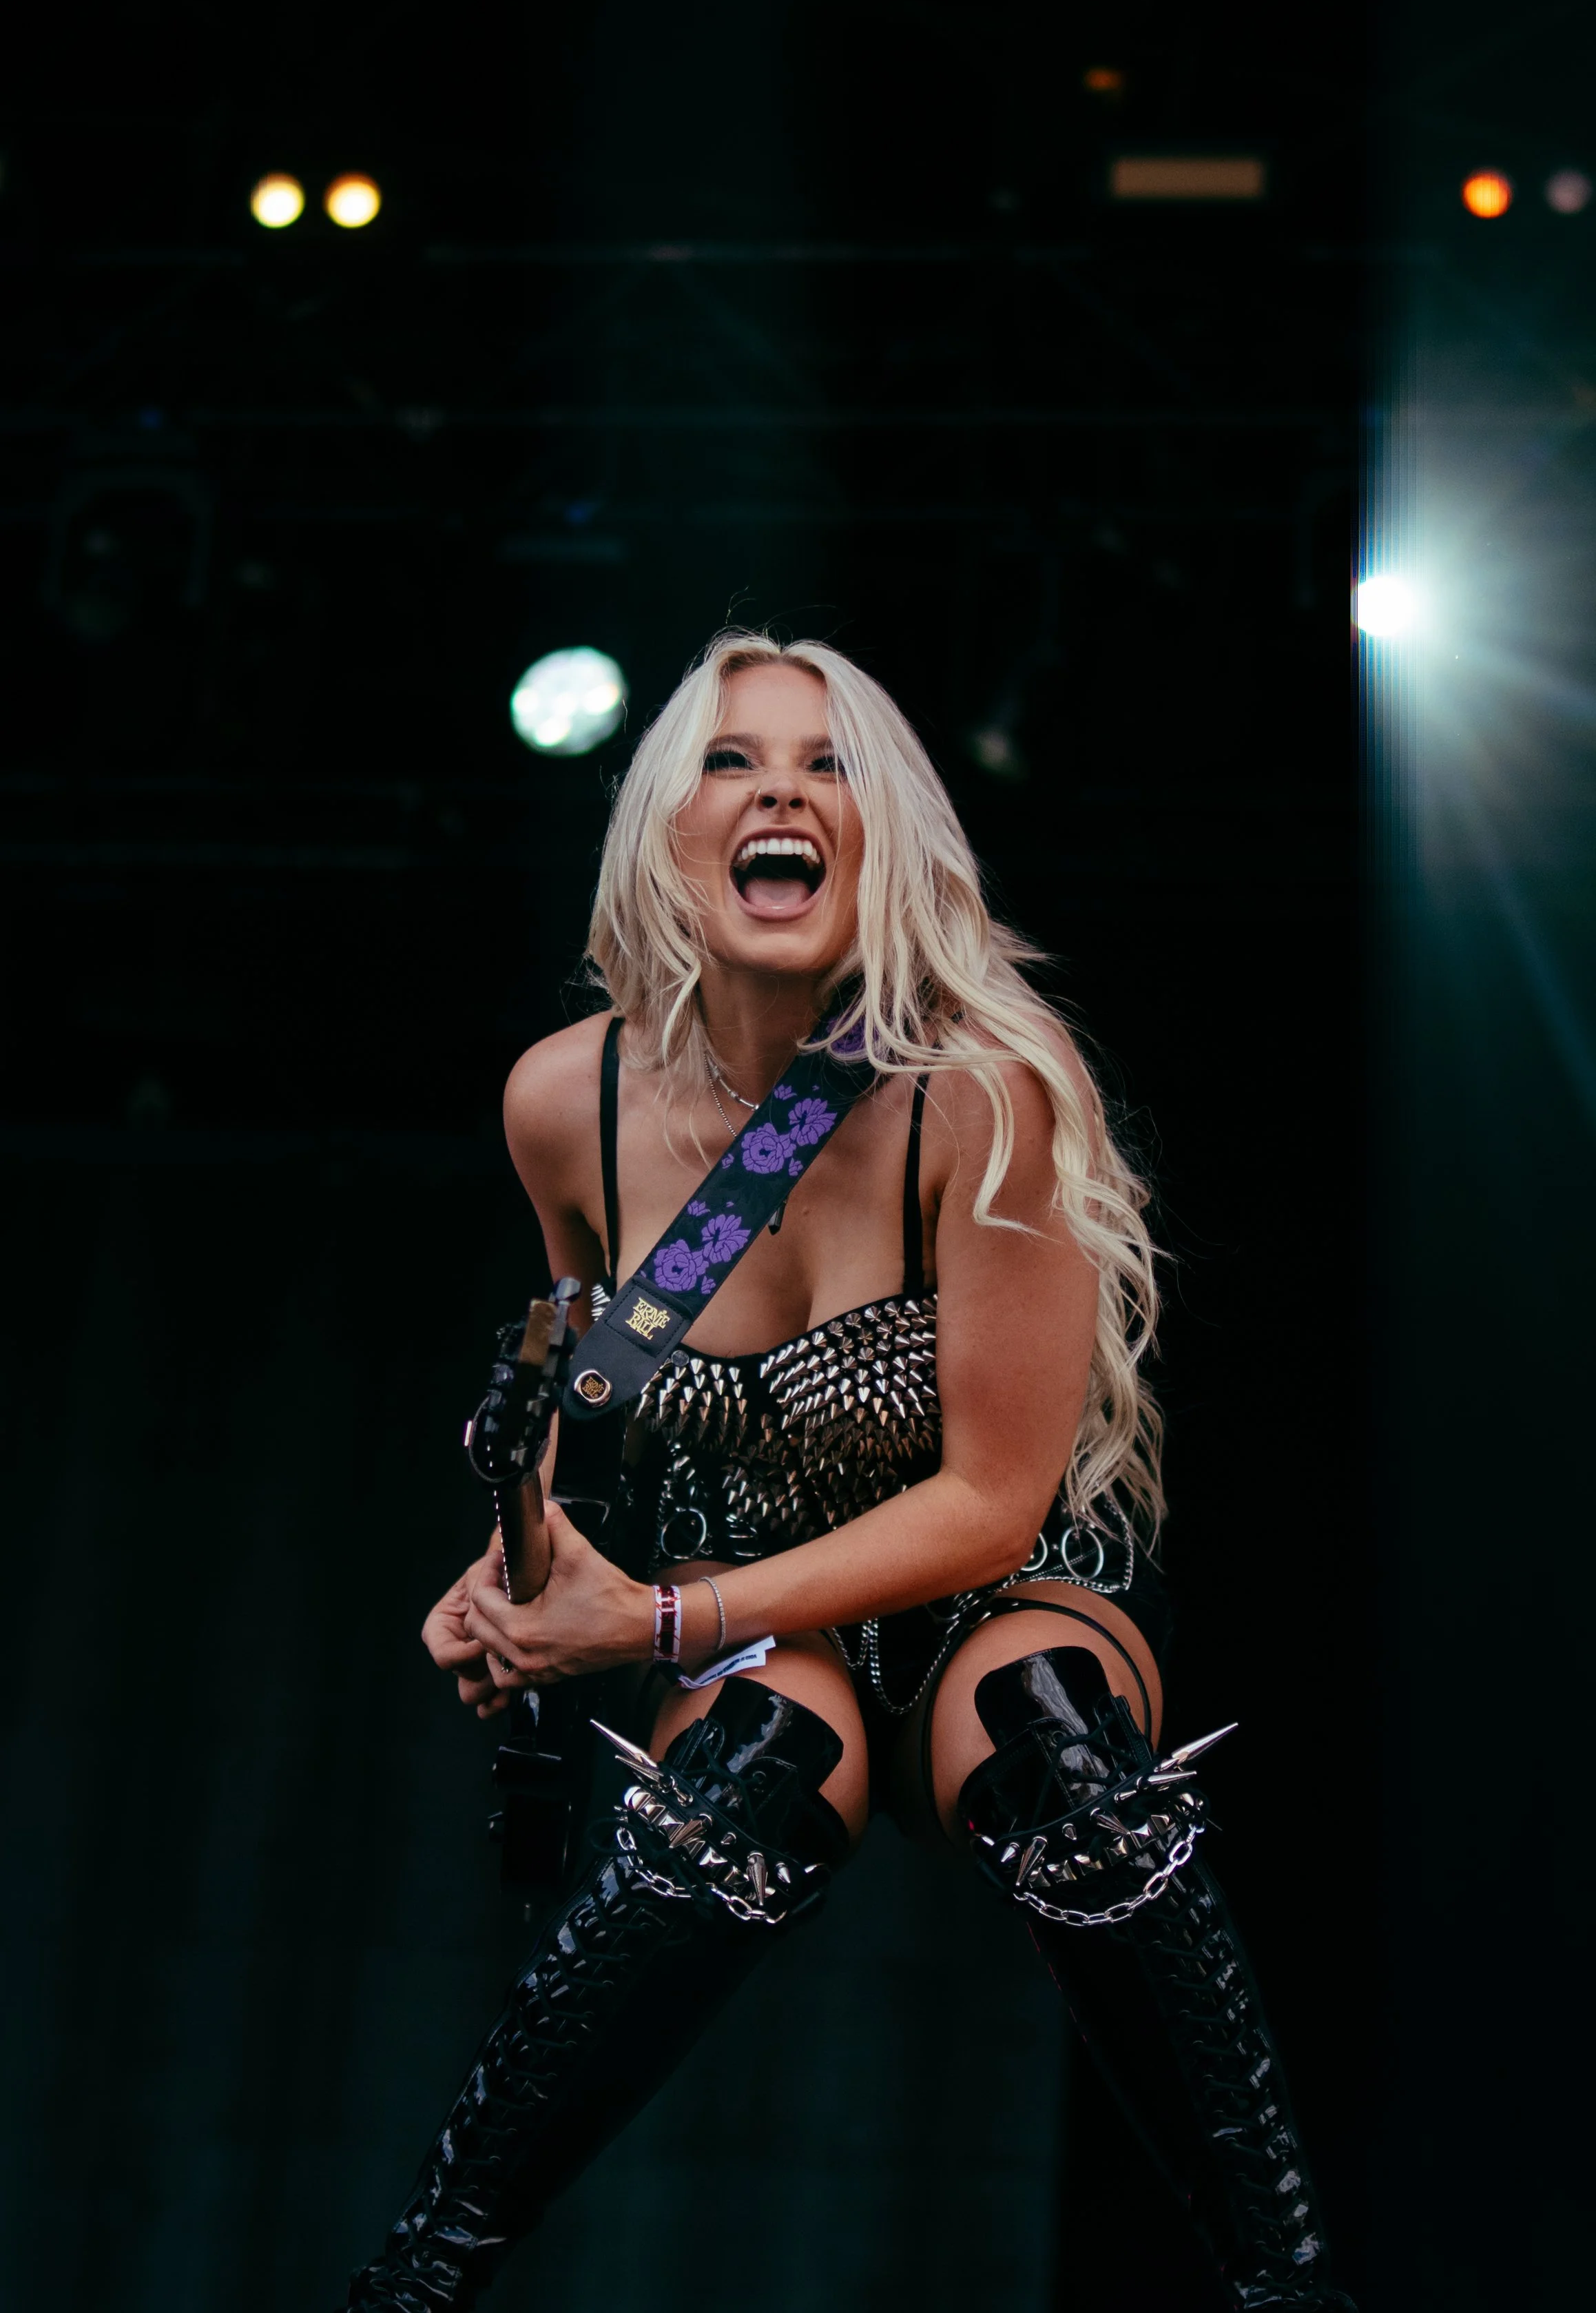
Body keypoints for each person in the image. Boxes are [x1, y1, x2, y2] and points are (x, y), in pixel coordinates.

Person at [344, 632, 1355, 2311]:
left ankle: (1291, 2291)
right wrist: (515, 1566)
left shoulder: (992, 1095)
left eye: (831, 765)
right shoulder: (563, 1104)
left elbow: (993, 1498)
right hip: (746, 1580)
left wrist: (652, 1619)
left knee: (1067, 1766)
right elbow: (591, 1416)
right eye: (735, 760)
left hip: (997, 1575)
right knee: (749, 1769)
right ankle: (414, 2284)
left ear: (889, 834)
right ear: (667, 825)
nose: (783, 793)